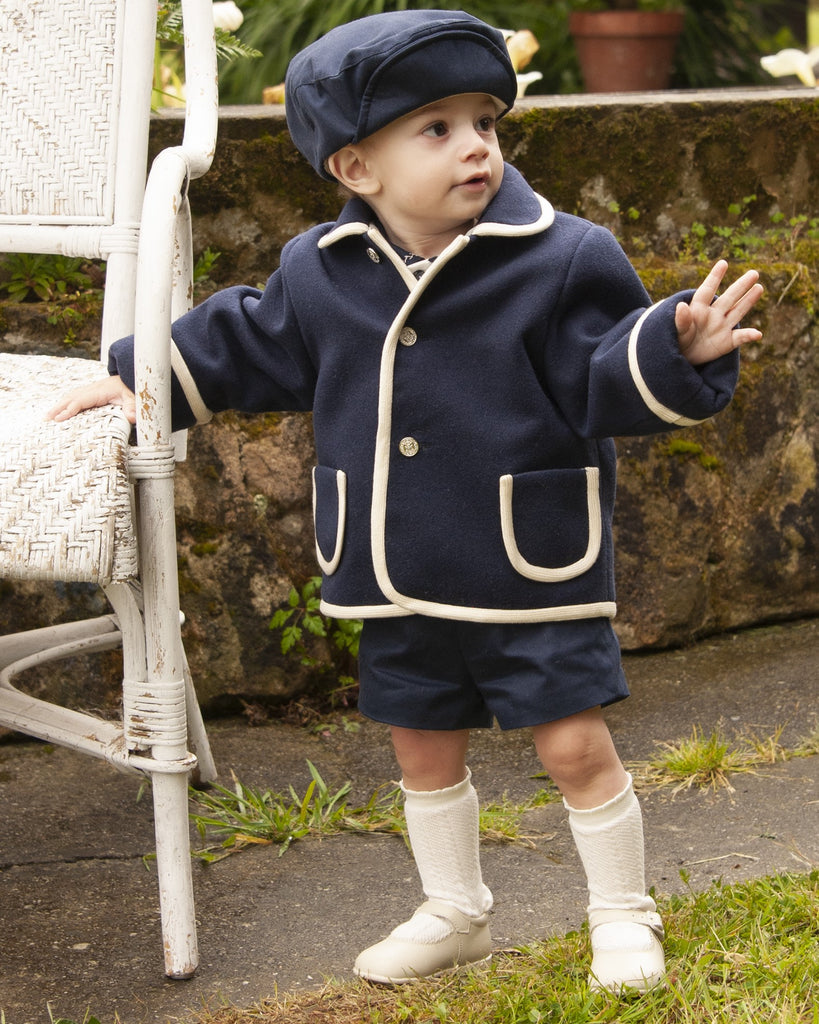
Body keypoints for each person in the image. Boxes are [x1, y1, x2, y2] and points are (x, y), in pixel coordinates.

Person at [49, 9, 763, 993]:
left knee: (572, 743)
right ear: (356, 168)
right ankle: (454, 909)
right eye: (437, 128)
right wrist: (139, 374)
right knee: (421, 743)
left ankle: (622, 910)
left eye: (485, 122)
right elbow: (247, 340)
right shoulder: (320, 270)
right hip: (391, 559)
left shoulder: (562, 256)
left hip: (524, 564)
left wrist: (671, 350)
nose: (476, 146)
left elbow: (600, 371)